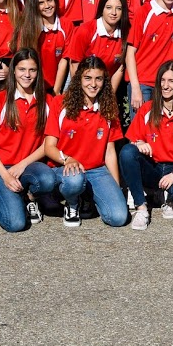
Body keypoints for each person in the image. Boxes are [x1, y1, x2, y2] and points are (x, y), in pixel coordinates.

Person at [43, 56, 129, 228]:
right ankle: (72, 203)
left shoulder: (109, 106)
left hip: (96, 170)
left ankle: (87, 196)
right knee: (75, 179)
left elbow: (110, 150)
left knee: (118, 217)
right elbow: (48, 148)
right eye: (88, 78)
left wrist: (116, 187)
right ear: (79, 79)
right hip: (66, 167)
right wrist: (68, 159)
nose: (93, 84)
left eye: (98, 78)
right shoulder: (60, 103)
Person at [122, 61, 173, 229]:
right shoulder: (147, 109)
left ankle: (171, 198)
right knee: (127, 152)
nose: (165, 86)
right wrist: (139, 143)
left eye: (171, 81)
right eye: (162, 80)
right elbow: (132, 141)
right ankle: (141, 208)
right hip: (153, 166)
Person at [0, 49, 60, 232]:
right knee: (16, 224)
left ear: (38, 72)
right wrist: (6, 175)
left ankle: (29, 197)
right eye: (22, 69)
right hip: (2, 167)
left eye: (32, 70)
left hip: (30, 166)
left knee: (48, 179)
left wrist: (21, 165)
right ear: (13, 71)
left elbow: (47, 144)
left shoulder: (47, 101)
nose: (27, 75)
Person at [11, 0, 70, 95]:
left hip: (56, 87)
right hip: (31, 86)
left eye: (50, 0)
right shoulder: (27, 27)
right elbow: (23, 62)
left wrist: (56, 91)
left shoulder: (66, 25)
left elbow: (64, 60)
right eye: (41, 3)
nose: (47, 6)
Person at [65, 0, 129, 94]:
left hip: (105, 86)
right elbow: (74, 65)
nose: (113, 13)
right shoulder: (85, 30)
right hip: (81, 84)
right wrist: (81, 94)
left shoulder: (125, 34)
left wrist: (109, 97)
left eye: (118, 9)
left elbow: (119, 69)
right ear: (102, 9)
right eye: (109, 8)